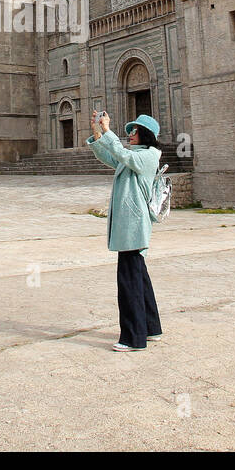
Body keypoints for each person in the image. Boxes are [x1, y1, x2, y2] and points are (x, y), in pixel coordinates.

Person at [87, 110, 163, 351]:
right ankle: (151, 328)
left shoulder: (149, 157)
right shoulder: (134, 156)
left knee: (128, 282)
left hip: (133, 228)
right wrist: (98, 134)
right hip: (129, 228)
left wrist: (109, 131)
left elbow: (120, 153)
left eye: (135, 131)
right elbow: (112, 157)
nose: (130, 134)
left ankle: (133, 338)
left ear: (146, 135)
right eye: (129, 130)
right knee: (139, 278)